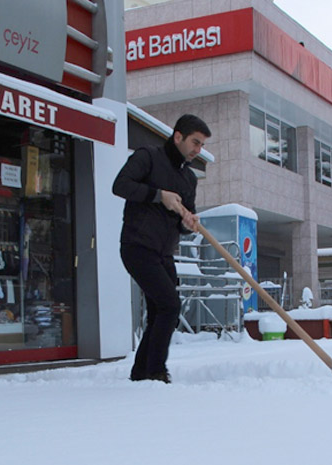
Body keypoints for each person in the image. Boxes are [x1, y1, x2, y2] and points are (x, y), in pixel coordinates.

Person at [112, 114, 211, 384]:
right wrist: (159, 195)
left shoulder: (189, 179)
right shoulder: (148, 157)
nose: (198, 150)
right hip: (137, 245)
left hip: (164, 252)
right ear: (178, 136)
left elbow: (183, 217)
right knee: (169, 305)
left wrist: (188, 222)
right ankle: (155, 372)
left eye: (201, 145)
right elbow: (120, 185)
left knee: (160, 309)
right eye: (195, 142)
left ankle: (141, 371)